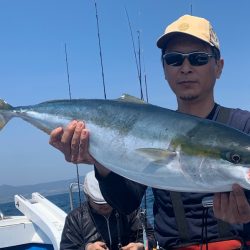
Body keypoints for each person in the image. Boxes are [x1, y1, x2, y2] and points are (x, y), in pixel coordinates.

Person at [50, 15, 250, 249]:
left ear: (219, 66)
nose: (186, 68)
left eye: (198, 58)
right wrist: (102, 162)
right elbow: (125, 202)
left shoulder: (244, 127)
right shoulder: (147, 128)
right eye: (174, 60)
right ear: (164, 70)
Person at [60, 170, 156, 250]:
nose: (105, 206)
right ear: (87, 197)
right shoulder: (75, 218)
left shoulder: (130, 210)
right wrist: (88, 247)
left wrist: (140, 245)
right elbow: (67, 247)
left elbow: (151, 236)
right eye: (99, 203)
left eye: (110, 201)